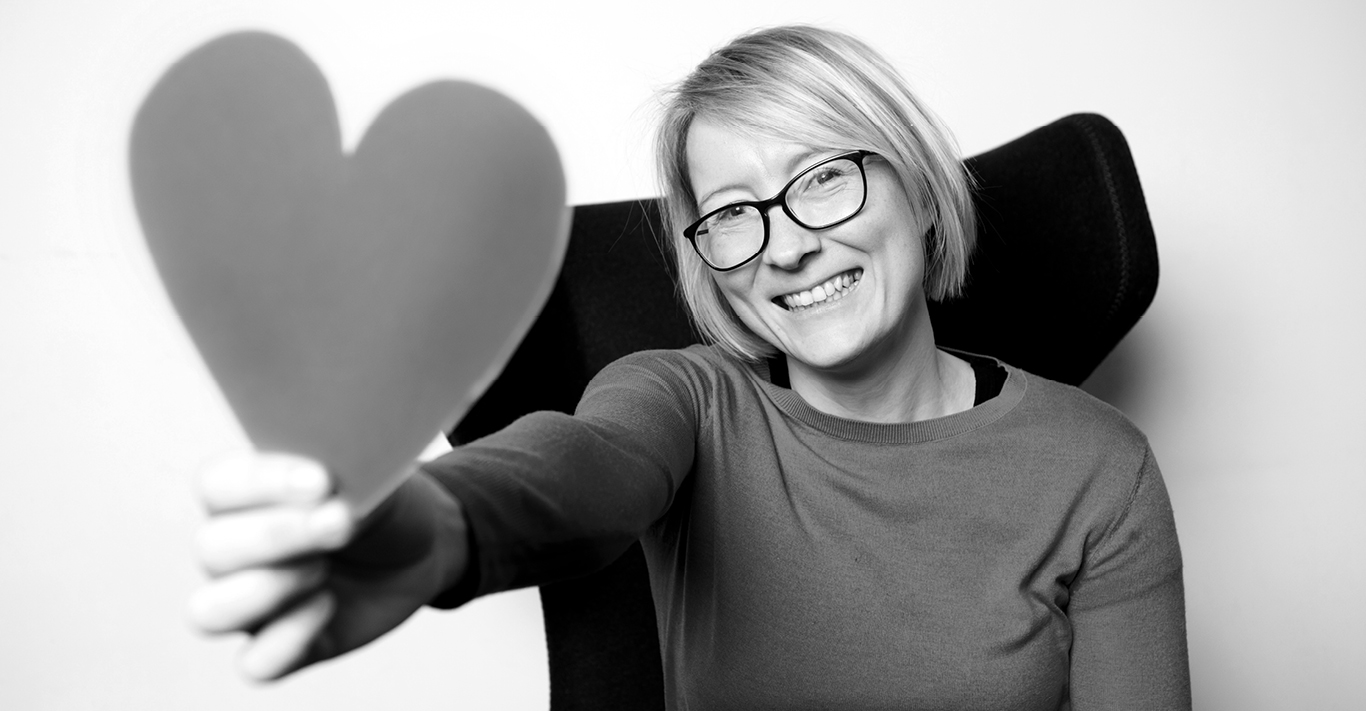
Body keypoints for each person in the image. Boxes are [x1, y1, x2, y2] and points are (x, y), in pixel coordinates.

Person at [189, 25, 1191, 710]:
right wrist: (437, 523)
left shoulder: (1097, 466)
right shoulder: (688, 400)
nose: (785, 245)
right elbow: (581, 464)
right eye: (734, 214)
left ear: (921, 191)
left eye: (822, 179)